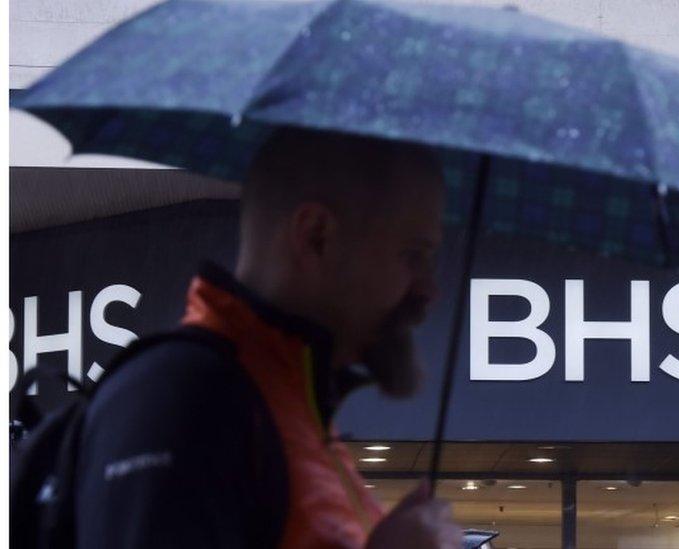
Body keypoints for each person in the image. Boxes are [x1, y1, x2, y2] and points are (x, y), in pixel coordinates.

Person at [74, 128, 462, 548]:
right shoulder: (184, 400)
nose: (429, 291)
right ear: (316, 235)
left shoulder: (294, 411)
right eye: (413, 256)